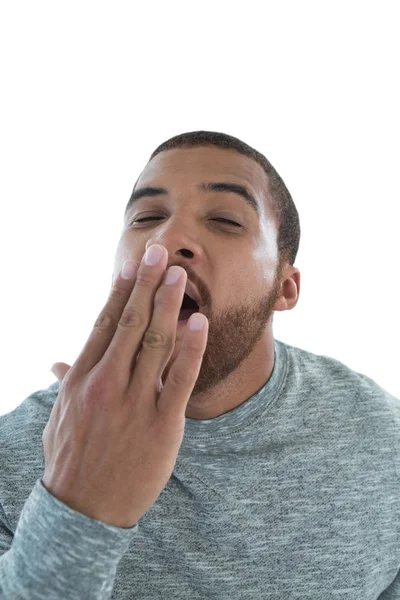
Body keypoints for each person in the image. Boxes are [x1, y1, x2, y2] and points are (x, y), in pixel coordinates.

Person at [0, 130, 399, 599]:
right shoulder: (16, 458)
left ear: (284, 288)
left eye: (226, 221)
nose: (166, 241)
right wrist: (78, 509)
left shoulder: (381, 442)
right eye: (147, 217)